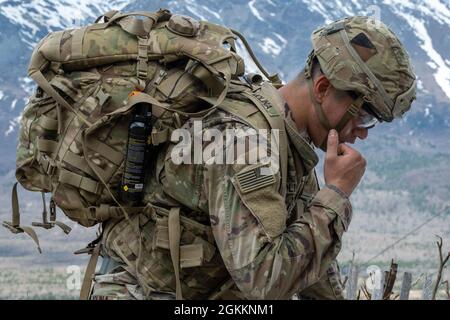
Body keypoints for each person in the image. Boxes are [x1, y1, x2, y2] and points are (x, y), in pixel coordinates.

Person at [88, 16, 416, 300]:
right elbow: (265, 283)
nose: (363, 133)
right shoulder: (246, 144)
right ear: (322, 88)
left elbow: (310, 264)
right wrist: (335, 195)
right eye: (365, 116)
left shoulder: (288, 139)